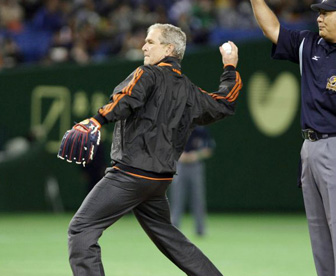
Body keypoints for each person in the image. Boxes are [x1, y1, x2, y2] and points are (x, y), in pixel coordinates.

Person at [64, 23, 242, 276]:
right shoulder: (190, 90)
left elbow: (125, 98)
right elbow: (225, 103)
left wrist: (96, 119)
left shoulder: (147, 74)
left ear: (169, 48)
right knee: (170, 238)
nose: (144, 46)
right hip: (158, 180)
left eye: (150, 41)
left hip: (130, 175)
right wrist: (230, 66)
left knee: (81, 229)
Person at [248, 0, 336, 275]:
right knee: (319, 230)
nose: (319, 19)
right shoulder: (309, 44)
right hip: (309, 147)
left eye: (325, 13)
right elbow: (272, 29)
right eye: (319, 13)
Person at [170, 126, 215, 236]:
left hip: (196, 166)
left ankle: (200, 228)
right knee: (177, 196)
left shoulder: (201, 130)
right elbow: (167, 147)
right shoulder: (177, 128)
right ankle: (174, 227)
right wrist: (180, 156)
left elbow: (209, 149)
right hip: (179, 166)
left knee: (198, 197)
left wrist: (196, 155)